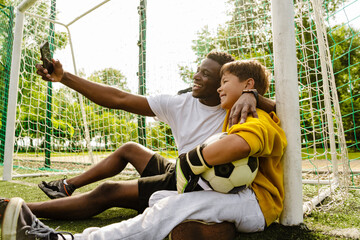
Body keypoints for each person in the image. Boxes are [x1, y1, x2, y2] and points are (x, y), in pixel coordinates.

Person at [1, 59, 286, 240]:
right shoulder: (186, 103)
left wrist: (254, 96)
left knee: (157, 204)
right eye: (199, 71)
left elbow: (262, 125)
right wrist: (65, 78)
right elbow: (119, 98)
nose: (197, 77)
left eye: (216, 78)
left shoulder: (248, 111)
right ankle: (66, 186)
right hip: (195, 176)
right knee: (157, 193)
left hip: (220, 185)